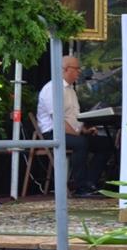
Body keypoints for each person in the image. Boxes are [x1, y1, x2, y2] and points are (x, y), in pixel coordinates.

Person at [37, 56, 112, 196]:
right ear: (66, 69)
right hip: (53, 133)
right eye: (77, 68)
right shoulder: (52, 89)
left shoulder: (70, 90)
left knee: (106, 144)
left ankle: (90, 182)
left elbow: (72, 118)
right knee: (80, 143)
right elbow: (58, 121)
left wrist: (84, 129)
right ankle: (80, 187)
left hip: (71, 132)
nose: (79, 72)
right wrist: (77, 133)